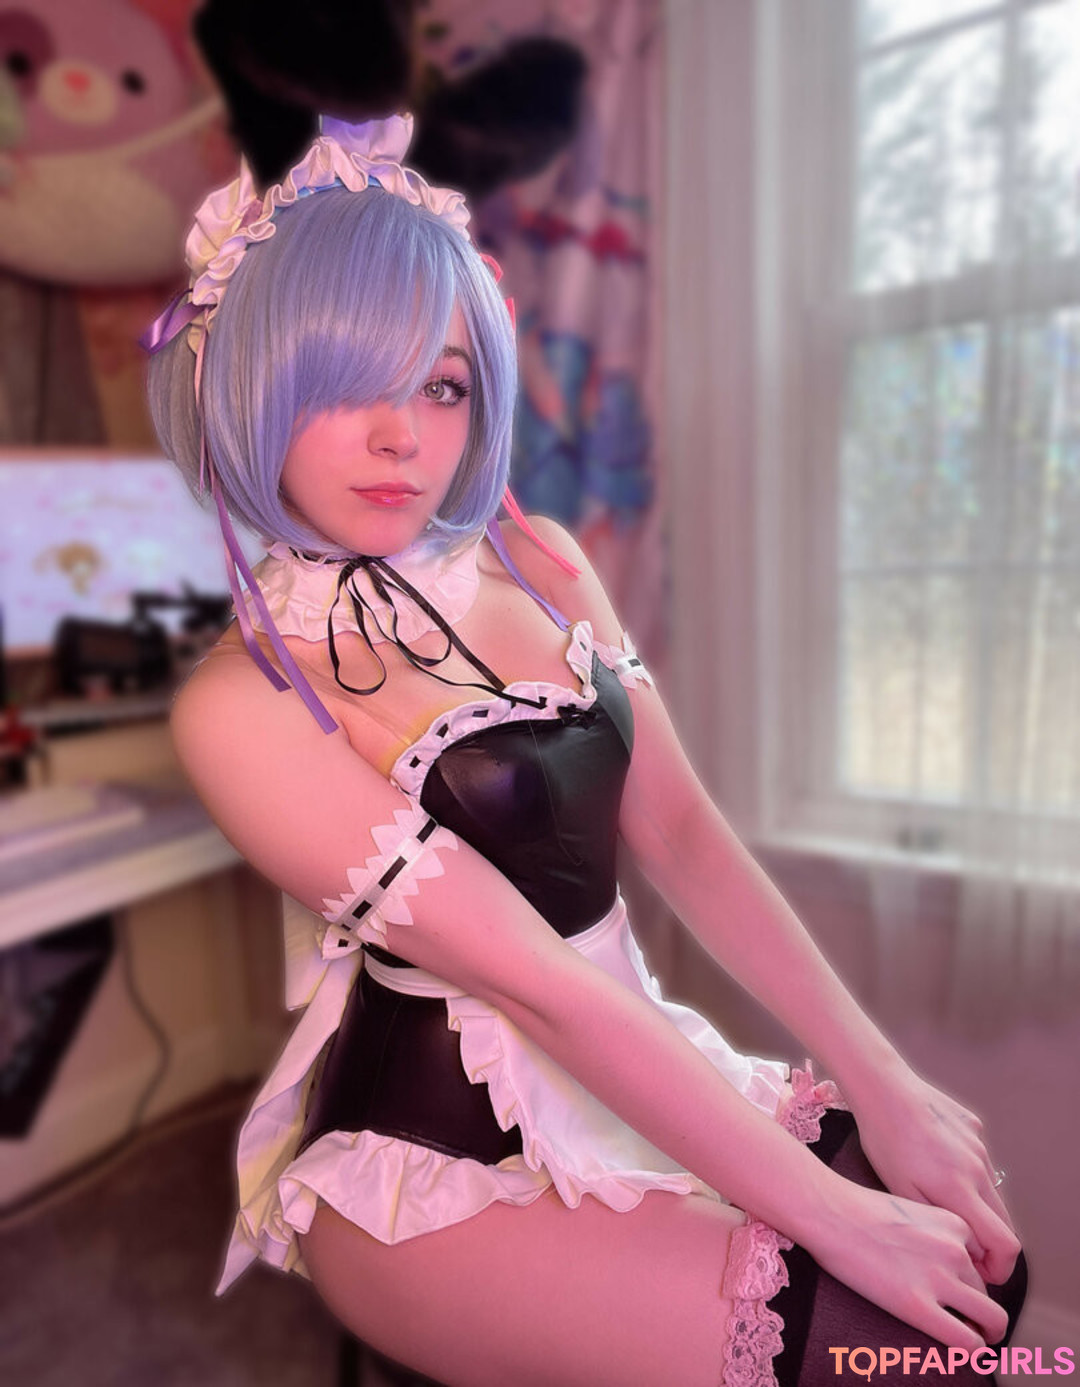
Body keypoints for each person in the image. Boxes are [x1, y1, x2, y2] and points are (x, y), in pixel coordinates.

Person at [144, 115, 1025, 1386]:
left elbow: (685, 835)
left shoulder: (540, 559)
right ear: (252, 387)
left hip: (632, 1062)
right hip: (434, 1171)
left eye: (443, 385)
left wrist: (886, 1083)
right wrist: (836, 1216)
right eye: (348, 383)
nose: (404, 435)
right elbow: (538, 985)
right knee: (891, 1343)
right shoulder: (241, 700)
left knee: (989, 1276)